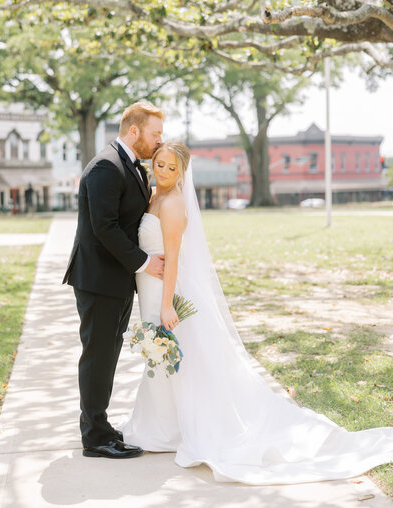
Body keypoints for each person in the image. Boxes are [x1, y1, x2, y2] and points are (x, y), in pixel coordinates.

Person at [120, 141, 393, 485]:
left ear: (182, 174)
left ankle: (170, 427)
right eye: (160, 164)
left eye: (172, 168)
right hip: (149, 287)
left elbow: (173, 258)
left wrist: (165, 305)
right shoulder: (154, 196)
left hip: (164, 292)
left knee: (175, 358)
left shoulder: (172, 203)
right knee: (163, 359)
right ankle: (161, 424)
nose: (164, 171)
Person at [63, 101, 165, 459]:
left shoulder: (131, 166)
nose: (159, 141)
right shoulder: (106, 166)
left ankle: (100, 426)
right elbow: (103, 226)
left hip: (115, 279)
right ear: (133, 130)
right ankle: (95, 437)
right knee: (98, 356)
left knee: (107, 355)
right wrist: (144, 262)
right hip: (98, 280)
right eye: (154, 134)